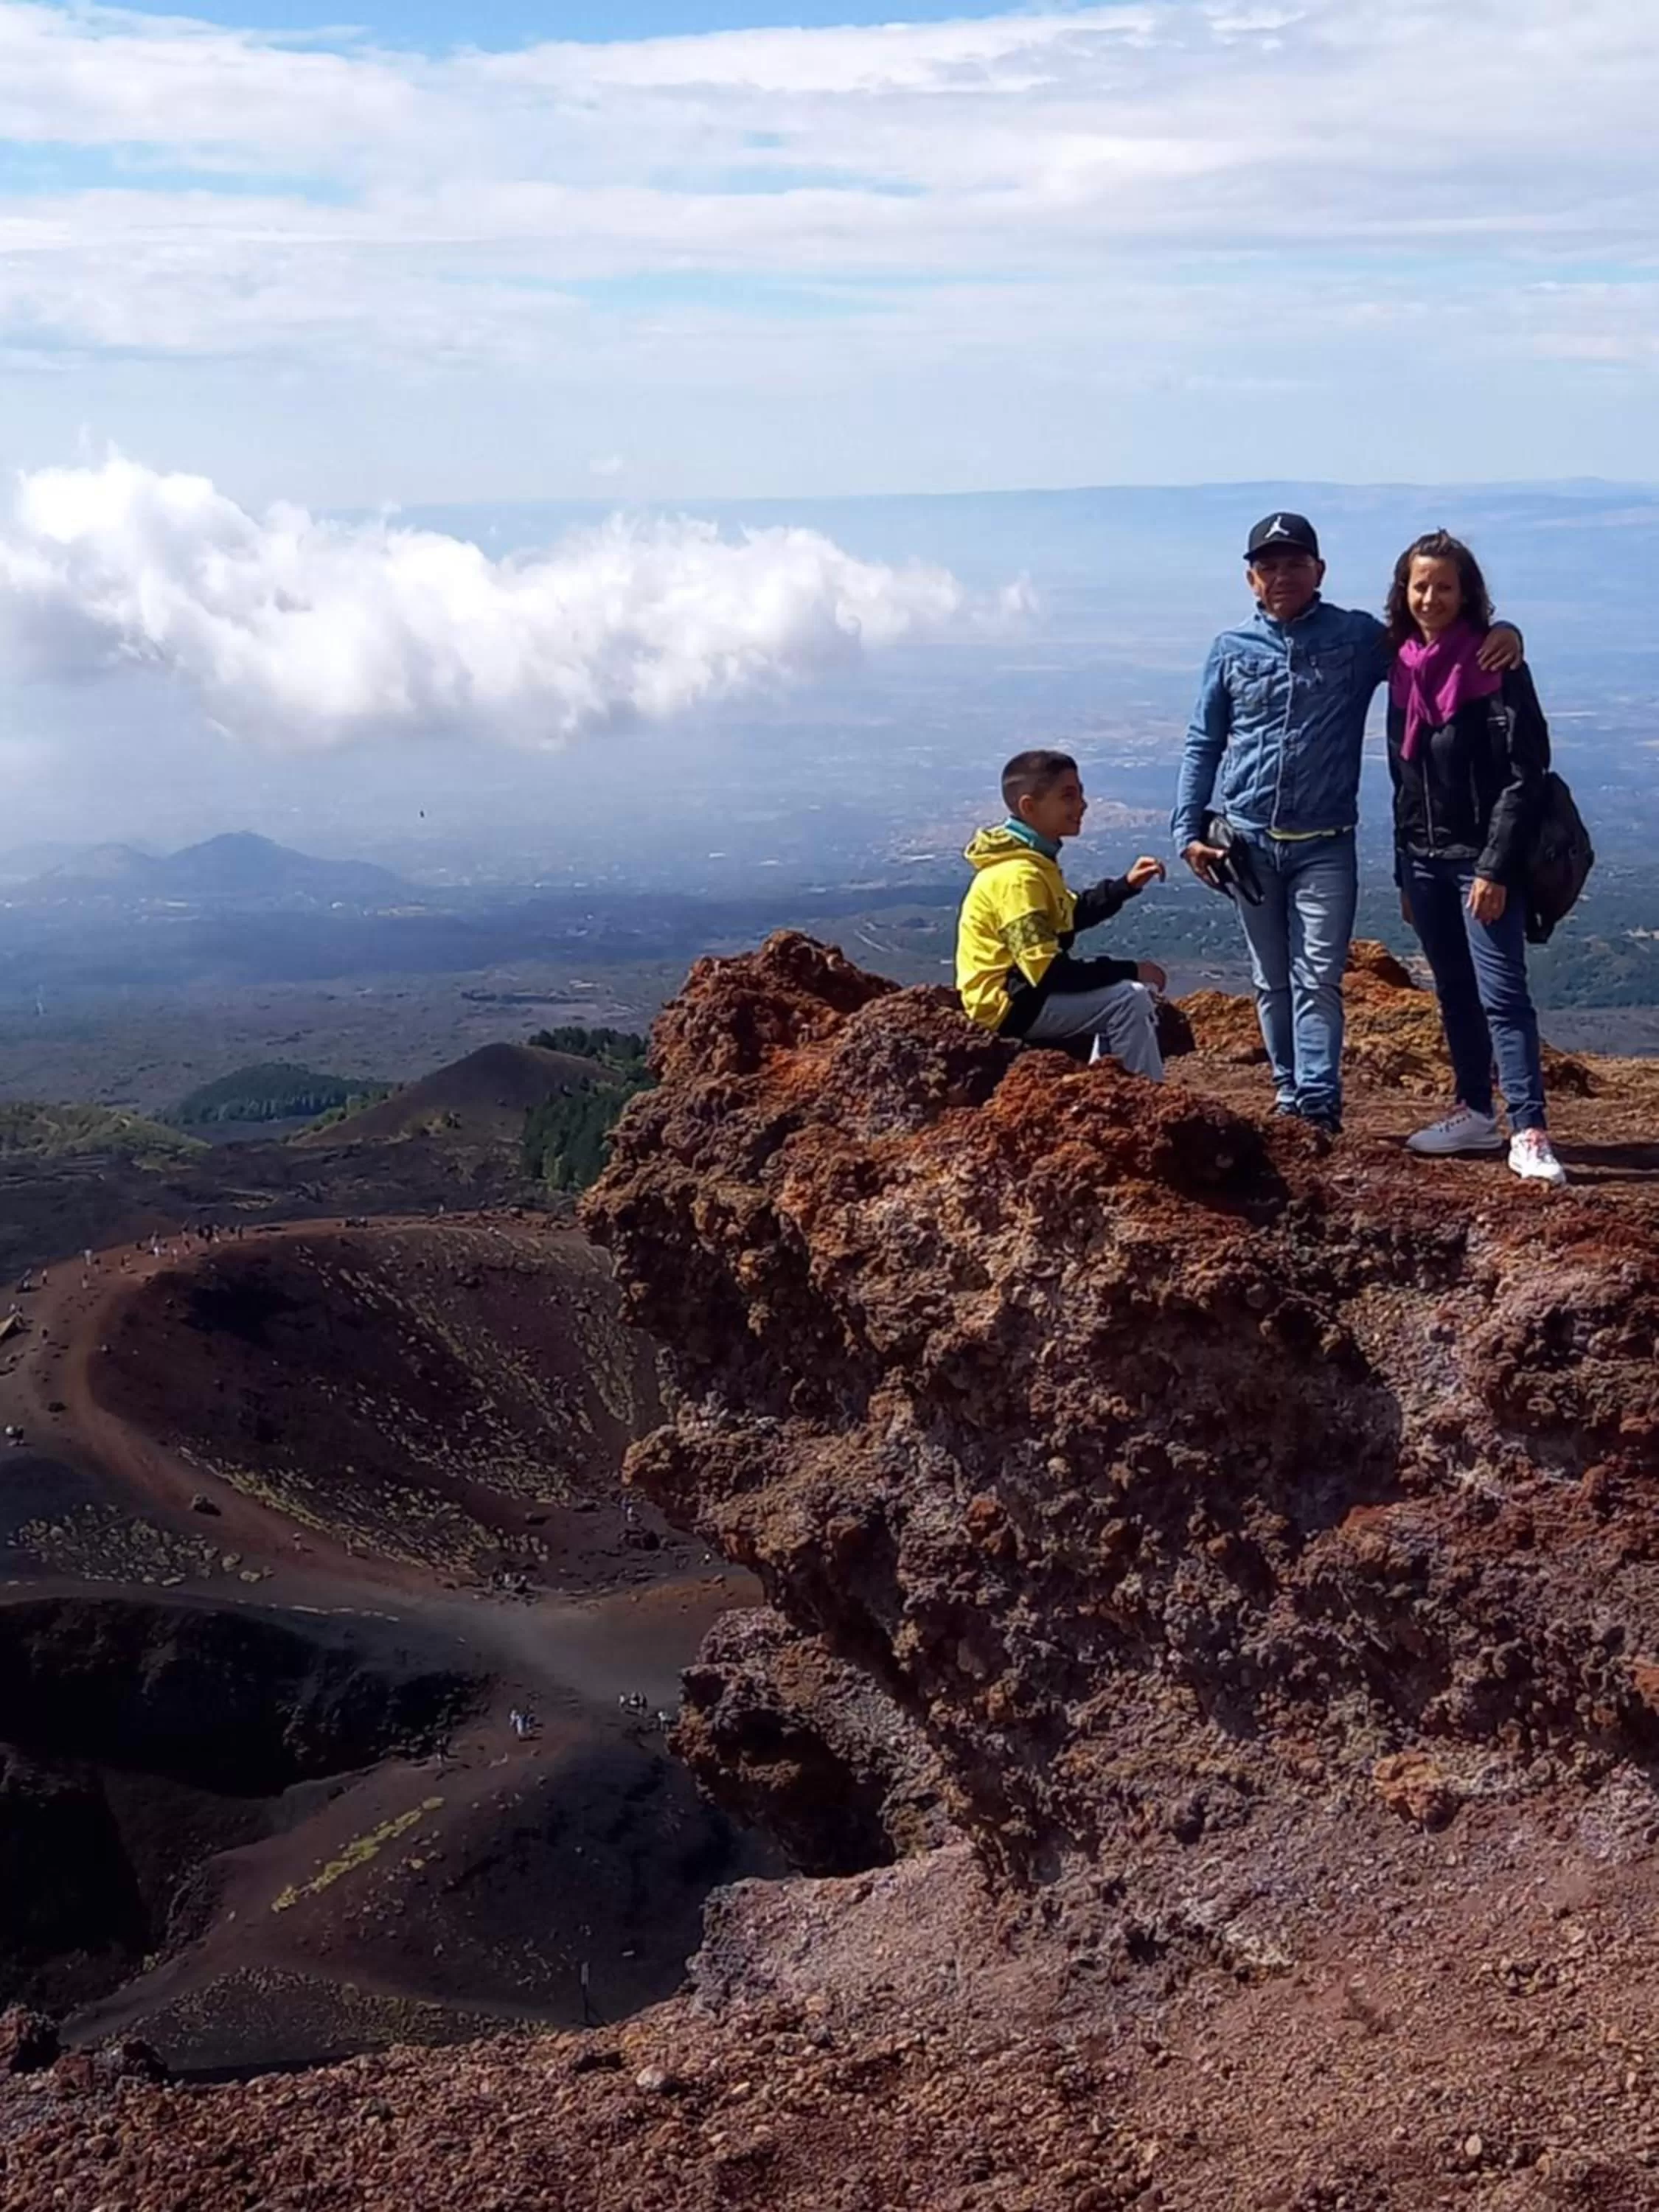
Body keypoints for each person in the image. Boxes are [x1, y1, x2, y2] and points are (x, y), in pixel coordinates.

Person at [1173, 512, 1521, 1133]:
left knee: (1318, 978)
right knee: (1270, 978)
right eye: (1269, 566)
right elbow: (1205, 741)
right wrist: (1189, 830)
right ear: (1251, 579)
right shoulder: (1230, 651)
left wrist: (1502, 631)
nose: (1282, 576)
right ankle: (1287, 1093)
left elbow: (1430, 643)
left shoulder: (1358, 639)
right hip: (1248, 843)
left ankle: (1318, 1103)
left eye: (1295, 564)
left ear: (1319, 572)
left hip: (1324, 843)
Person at [1385, 531, 1565, 1186]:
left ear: (1468, 594)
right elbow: (1400, 778)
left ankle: (1530, 1128)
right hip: (1425, 859)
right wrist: (1405, 869)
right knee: (1455, 991)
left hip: (1481, 861)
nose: (1431, 597)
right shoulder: (1402, 665)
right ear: (1404, 593)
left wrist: (1493, 867)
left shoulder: (1496, 663)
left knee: (1503, 995)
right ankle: (1473, 1108)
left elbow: (1526, 775)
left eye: (1444, 586)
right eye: (1420, 585)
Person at [956, 748, 1168, 1075]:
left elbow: (1070, 914)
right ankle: (1146, 1098)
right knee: (1130, 999)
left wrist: (1126, 885)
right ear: (1029, 807)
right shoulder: (1017, 878)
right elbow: (1047, 972)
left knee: (1122, 997)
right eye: (1068, 796)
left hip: (1022, 995)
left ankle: (1109, 1083)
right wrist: (1131, 970)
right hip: (1006, 1007)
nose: (1082, 805)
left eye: (1080, 793)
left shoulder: (1033, 863)